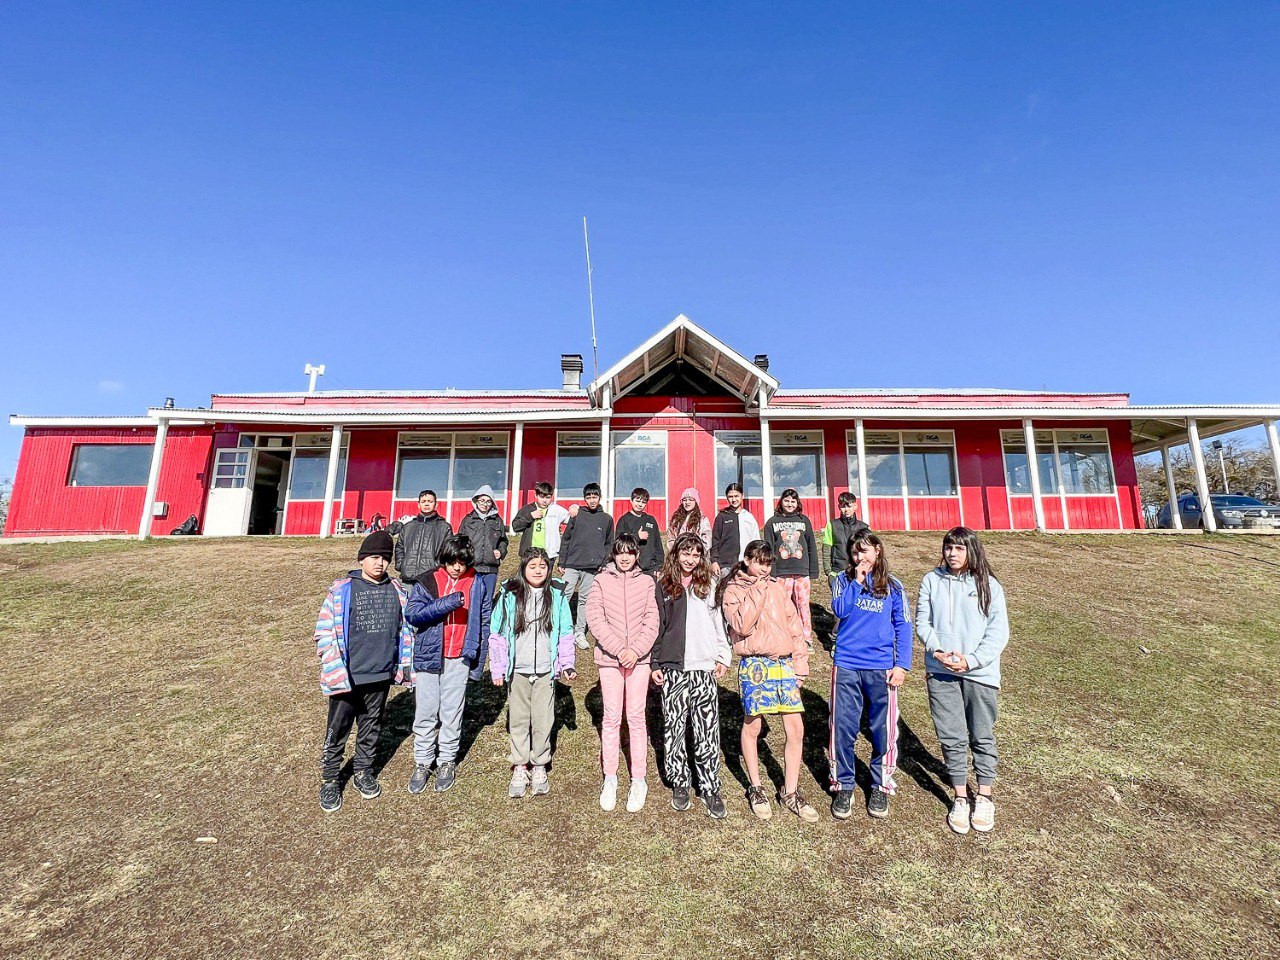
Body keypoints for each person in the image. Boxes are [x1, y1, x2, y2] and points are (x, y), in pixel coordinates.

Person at [313, 530, 415, 812]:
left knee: (371, 726)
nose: (380, 563)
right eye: (374, 557)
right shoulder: (342, 590)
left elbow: (405, 630)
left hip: (380, 674)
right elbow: (324, 631)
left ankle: (363, 771)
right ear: (361, 560)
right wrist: (332, 663)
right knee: (338, 728)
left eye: (384, 558)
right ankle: (330, 779)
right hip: (348, 675)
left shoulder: (397, 591)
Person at [916, 527, 1009, 834]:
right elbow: (922, 622)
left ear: (971, 551)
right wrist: (938, 651)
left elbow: (998, 632)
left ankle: (984, 795)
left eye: (959, 548)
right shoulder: (931, 580)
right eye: (948, 547)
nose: (952, 553)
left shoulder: (989, 586)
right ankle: (959, 796)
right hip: (941, 671)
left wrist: (972, 660)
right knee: (951, 736)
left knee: (981, 735)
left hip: (979, 674)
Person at [718, 540, 817, 822]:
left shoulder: (777, 588)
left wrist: (800, 663)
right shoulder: (734, 590)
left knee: (795, 728)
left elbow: (794, 625)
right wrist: (757, 590)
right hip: (755, 665)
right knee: (754, 725)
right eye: (759, 562)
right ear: (747, 560)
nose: (763, 568)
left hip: (783, 662)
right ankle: (756, 786)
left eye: (768, 563)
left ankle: (791, 790)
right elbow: (741, 625)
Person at [829, 531, 912, 820]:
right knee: (843, 727)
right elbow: (840, 609)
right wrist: (857, 581)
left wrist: (901, 665)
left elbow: (903, 627)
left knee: (883, 729)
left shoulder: (894, 587)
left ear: (877, 550)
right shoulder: (843, 581)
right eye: (854, 553)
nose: (859, 557)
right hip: (848, 665)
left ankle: (880, 784)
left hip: (881, 668)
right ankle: (844, 784)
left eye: (864, 551)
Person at [402, 535, 491, 795]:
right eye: (452, 562)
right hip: (430, 654)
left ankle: (446, 761)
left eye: (462, 563)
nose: (456, 567)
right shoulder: (428, 580)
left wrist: (477, 660)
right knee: (427, 711)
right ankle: (422, 762)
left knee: (452, 711)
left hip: (460, 656)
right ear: (445, 559)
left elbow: (483, 622)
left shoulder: (478, 583)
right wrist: (448, 602)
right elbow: (413, 614)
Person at [651, 533, 732, 819]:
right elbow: (658, 626)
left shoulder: (708, 585)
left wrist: (722, 655)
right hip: (674, 667)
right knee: (673, 728)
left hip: (703, 666)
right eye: (685, 554)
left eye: (696, 555)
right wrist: (656, 662)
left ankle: (710, 787)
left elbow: (718, 622)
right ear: (676, 555)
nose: (690, 560)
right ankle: (680, 782)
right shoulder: (664, 586)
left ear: (701, 558)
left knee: (707, 730)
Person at [489, 548, 577, 798]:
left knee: (542, 719)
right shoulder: (510, 593)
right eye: (532, 566)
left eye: (542, 566)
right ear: (523, 568)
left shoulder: (556, 594)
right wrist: (498, 667)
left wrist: (566, 663)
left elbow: (566, 632)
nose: (538, 570)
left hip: (545, 672)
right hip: (518, 670)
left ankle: (539, 764)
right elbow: (497, 634)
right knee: (517, 719)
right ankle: (519, 765)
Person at [585, 535, 659, 812]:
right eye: (620, 552)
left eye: (630, 552)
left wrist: (636, 650)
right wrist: (618, 649)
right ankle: (611, 777)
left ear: (637, 555)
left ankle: (639, 778)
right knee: (612, 717)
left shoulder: (647, 582)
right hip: (609, 659)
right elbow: (595, 617)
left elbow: (653, 619)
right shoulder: (601, 581)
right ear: (614, 555)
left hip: (639, 661)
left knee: (636, 717)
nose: (625, 557)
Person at [457, 484, 509, 681]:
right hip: (471, 569)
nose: (485, 504)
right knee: (471, 605)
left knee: (485, 608)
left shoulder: (497, 521)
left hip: (489, 569)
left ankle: (483, 637)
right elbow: (460, 540)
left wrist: (500, 552)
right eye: (482, 501)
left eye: (488, 501)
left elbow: (504, 541)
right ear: (476, 501)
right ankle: (469, 638)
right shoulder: (468, 520)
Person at [558, 482, 615, 650]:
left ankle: (579, 632)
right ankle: (559, 629)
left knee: (584, 600)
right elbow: (566, 539)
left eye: (595, 497)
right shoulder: (576, 515)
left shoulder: (606, 519)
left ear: (600, 498)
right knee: (563, 596)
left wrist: (603, 562)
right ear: (584, 498)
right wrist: (562, 561)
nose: (592, 500)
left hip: (592, 568)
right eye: (588, 497)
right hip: (572, 565)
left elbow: (609, 543)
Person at [763, 488, 819, 645]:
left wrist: (813, 570)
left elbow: (811, 546)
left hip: (802, 571)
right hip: (781, 572)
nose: (789, 504)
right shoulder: (772, 522)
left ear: (797, 503)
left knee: (803, 604)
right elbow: (768, 548)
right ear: (781, 502)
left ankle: (805, 636)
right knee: (782, 605)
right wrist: (771, 571)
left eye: (793, 501)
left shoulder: (804, 521)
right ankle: (782, 634)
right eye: (786, 501)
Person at [393, 489, 454, 584]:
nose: (426, 504)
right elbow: (399, 548)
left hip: (431, 578)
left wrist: (437, 567)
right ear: (418, 504)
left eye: (430, 501)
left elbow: (447, 551)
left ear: (436, 504)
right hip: (408, 578)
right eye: (423, 501)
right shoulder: (408, 526)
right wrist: (401, 565)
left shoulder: (444, 527)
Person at [821, 492, 869, 599]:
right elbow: (826, 549)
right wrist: (828, 572)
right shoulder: (832, 525)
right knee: (839, 607)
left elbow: (868, 551)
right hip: (837, 573)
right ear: (839, 507)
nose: (846, 509)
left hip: (858, 573)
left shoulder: (864, 527)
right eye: (843, 506)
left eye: (849, 506)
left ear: (855, 506)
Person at [510, 481, 570, 564]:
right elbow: (515, 527)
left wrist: (574, 508)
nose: (545, 500)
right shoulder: (527, 509)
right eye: (542, 497)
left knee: (546, 576)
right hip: (529, 553)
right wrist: (530, 517)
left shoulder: (556, 509)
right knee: (528, 576)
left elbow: (571, 519)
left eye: (548, 497)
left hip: (549, 554)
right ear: (536, 495)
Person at [710, 481, 761, 578]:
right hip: (725, 566)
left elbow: (756, 542)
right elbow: (715, 541)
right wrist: (714, 561)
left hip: (745, 565)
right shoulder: (722, 517)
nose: (734, 499)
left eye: (736, 496)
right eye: (730, 496)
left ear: (742, 496)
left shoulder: (749, 517)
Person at [614, 487, 664, 573]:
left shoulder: (651, 520)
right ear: (631, 500)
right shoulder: (624, 520)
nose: (640, 504)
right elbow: (618, 543)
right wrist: (637, 537)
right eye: (637, 501)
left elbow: (658, 545)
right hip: (630, 569)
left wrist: (659, 567)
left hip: (650, 569)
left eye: (643, 502)